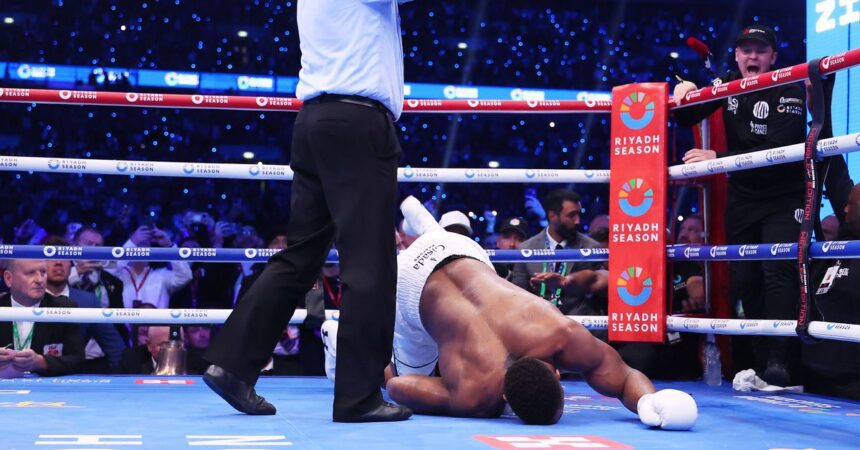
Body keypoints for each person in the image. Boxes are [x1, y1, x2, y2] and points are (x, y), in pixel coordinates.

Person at [203, 0, 413, 422]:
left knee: (299, 255)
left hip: (316, 121)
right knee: (370, 263)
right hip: (357, 124)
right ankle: (358, 398)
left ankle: (233, 365)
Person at [323, 197, 697, 427]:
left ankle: (422, 224)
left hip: (461, 248)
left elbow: (624, 374)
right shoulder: (476, 396)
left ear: (552, 368)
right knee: (399, 370)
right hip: (409, 290)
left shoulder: (554, 331)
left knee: (452, 274)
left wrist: (649, 397)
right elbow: (398, 388)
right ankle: (345, 345)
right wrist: (648, 404)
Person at [673, 24, 807, 385]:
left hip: (783, 195)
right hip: (744, 197)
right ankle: (761, 364)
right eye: (746, 50)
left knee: (777, 273)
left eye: (760, 51)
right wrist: (685, 93)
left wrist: (718, 155)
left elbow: (778, 147)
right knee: (745, 280)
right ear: (736, 56)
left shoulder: (789, 85)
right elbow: (684, 116)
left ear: (772, 58)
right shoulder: (730, 83)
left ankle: (782, 362)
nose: (752, 57)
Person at [802, 183, 860, 400]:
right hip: (814, 375)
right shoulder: (830, 251)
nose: (845, 210)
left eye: (851, 205)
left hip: (852, 380)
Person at [511, 189, 608, 316]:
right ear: (552, 216)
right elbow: (517, 293)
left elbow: (600, 287)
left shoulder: (591, 247)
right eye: (571, 215)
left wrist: (570, 282)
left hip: (580, 326)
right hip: (541, 323)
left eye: (578, 214)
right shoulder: (526, 248)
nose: (577, 221)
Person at [0, 259, 84, 377]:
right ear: (9, 279)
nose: (39, 280)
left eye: (43, 272)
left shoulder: (65, 308)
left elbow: (77, 360)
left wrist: (40, 362)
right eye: (30, 273)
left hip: (48, 391)